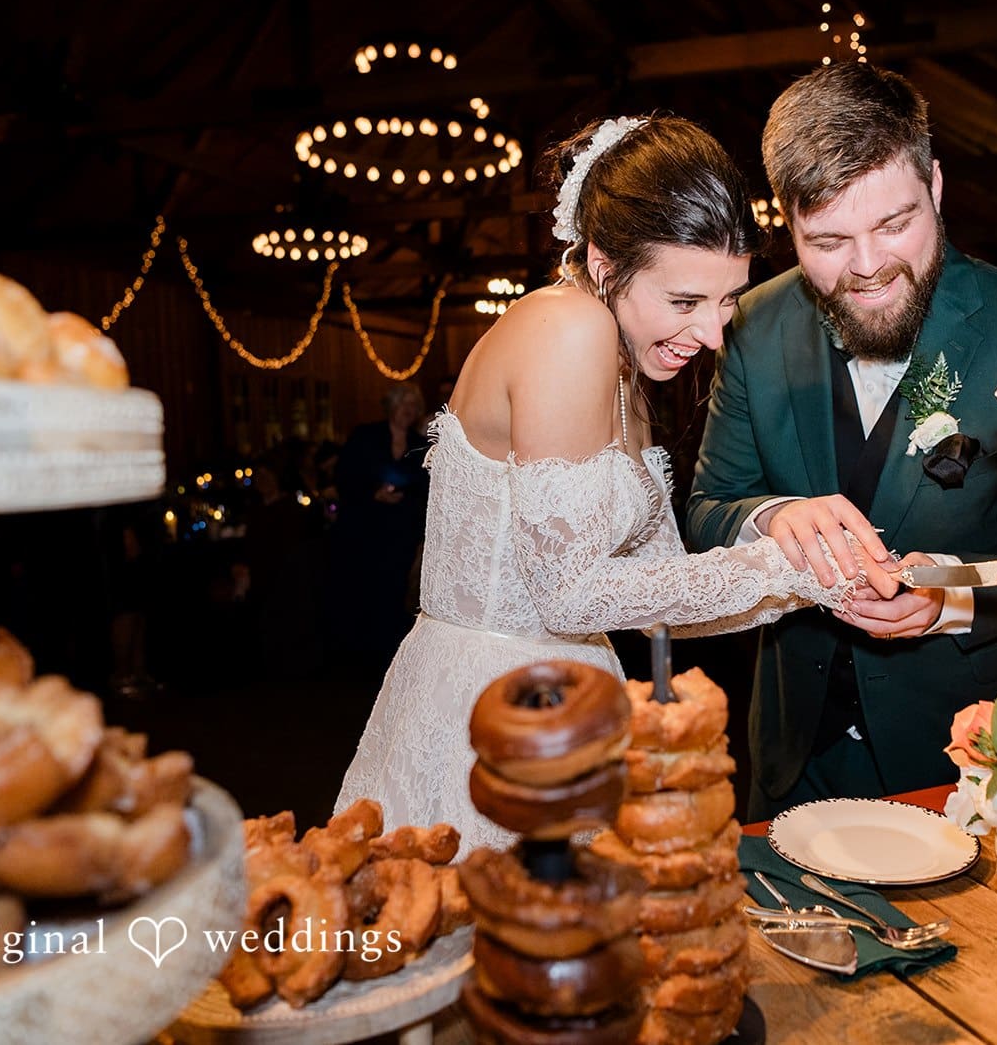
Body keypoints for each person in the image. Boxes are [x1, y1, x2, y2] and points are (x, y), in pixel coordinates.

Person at [336, 115, 897, 850]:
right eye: (686, 301)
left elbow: (664, 595)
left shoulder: (627, 363)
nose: (714, 335)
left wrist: (820, 576)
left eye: (727, 301)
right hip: (499, 715)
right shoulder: (567, 328)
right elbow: (568, 593)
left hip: (573, 702)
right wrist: (774, 564)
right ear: (605, 264)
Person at [686, 62, 997, 821]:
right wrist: (769, 517)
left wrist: (954, 598)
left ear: (934, 185)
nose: (866, 268)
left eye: (894, 225)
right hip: (790, 757)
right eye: (827, 240)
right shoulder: (752, 327)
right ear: (787, 223)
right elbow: (706, 510)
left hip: (966, 764)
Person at [329, 383, 432, 674]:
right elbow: (345, 476)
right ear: (392, 406)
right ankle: (359, 658)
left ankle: (390, 657)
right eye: (404, 404)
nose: (408, 411)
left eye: (413, 406)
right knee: (362, 589)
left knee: (394, 592)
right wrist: (373, 493)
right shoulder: (365, 436)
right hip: (364, 528)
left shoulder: (418, 444)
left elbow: (425, 488)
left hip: (400, 531)